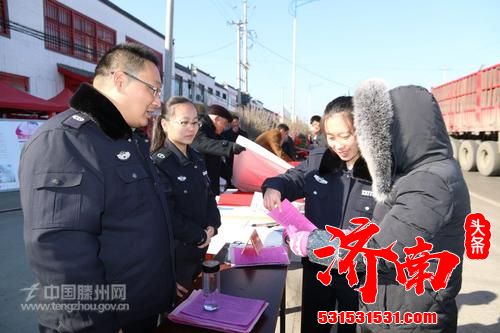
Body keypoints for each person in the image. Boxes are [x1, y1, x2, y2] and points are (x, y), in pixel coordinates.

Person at [19, 43, 176, 332]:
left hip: (139, 312)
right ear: (119, 80)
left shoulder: (126, 139)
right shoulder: (67, 141)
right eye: (153, 90)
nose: (158, 102)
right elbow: (61, 253)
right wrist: (94, 324)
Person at [291, 81, 471, 333]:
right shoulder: (419, 172)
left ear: (402, 132)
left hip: (409, 316)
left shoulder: (429, 181)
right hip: (397, 307)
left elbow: (378, 251)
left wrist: (311, 243)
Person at [262, 96, 374, 333]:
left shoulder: (379, 171)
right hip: (317, 268)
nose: (339, 145)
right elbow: (293, 178)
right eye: (332, 137)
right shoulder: (318, 159)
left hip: (357, 273)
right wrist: (275, 186)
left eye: (346, 136)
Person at [150, 97, 221, 297]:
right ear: (165, 124)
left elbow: (208, 197)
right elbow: (166, 215)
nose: (191, 128)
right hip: (173, 261)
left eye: (195, 122)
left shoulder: (197, 158)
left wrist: (212, 226)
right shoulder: (159, 164)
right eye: (184, 122)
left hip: (198, 254)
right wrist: (199, 235)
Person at [191, 104, 246, 194]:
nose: (224, 127)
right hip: (199, 185)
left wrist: (233, 176)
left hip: (211, 185)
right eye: (224, 124)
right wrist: (230, 147)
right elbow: (201, 143)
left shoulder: (214, 133)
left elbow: (216, 162)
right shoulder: (199, 126)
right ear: (216, 119)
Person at [221, 116, 248, 187]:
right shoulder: (225, 133)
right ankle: (229, 185)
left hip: (240, 158)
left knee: (239, 173)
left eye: (236, 122)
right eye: (233, 122)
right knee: (229, 173)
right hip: (230, 157)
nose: (235, 124)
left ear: (239, 122)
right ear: (231, 123)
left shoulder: (244, 134)